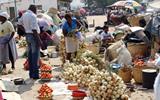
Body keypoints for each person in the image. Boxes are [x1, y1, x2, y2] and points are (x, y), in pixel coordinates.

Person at [19, 5, 43, 79]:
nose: (36, 12)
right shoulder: (33, 16)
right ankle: (35, 75)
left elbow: (19, 24)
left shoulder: (24, 15)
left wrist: (26, 31)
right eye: (36, 10)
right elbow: (34, 29)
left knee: (30, 55)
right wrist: (39, 40)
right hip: (33, 36)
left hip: (28, 36)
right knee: (35, 56)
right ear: (34, 9)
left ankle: (31, 74)